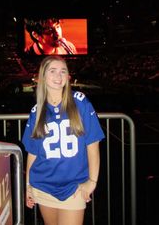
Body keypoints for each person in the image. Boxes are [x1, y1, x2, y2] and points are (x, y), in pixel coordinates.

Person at [22, 55, 105, 225]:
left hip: (73, 187)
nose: (58, 76)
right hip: (43, 186)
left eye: (63, 71)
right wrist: (28, 185)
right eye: (53, 71)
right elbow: (33, 153)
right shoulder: (37, 111)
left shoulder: (80, 102)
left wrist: (92, 181)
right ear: (43, 76)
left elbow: (93, 144)